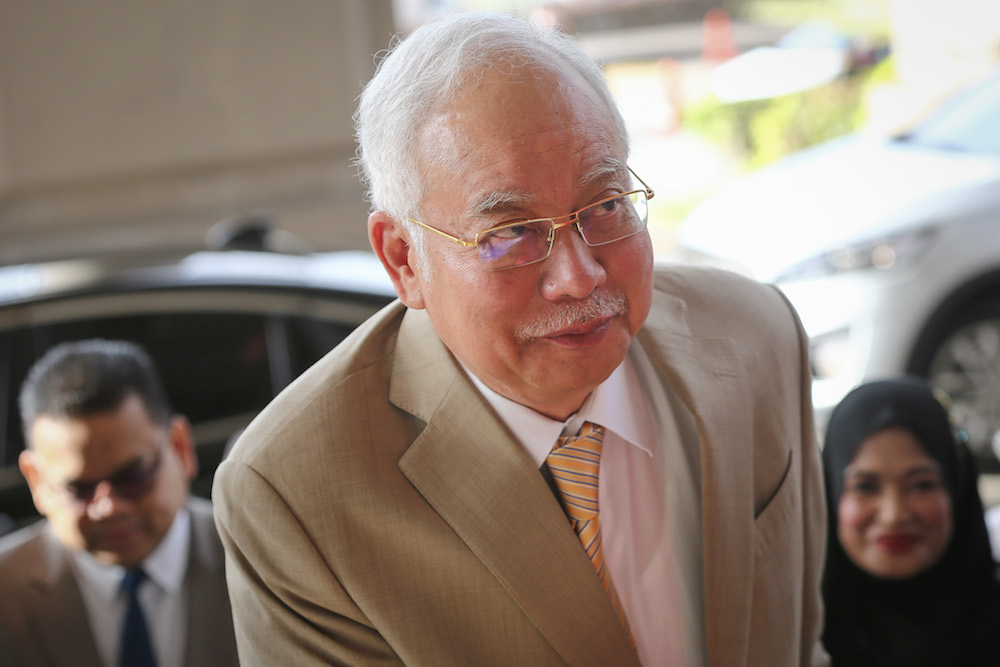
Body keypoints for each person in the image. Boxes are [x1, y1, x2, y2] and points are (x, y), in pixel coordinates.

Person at [213, 11, 828, 667]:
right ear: (403, 259)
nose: (579, 275)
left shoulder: (755, 333)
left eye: (605, 204)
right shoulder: (294, 493)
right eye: (509, 233)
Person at [0, 339, 239, 667]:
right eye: (79, 489)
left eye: (133, 478)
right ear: (36, 481)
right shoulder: (6, 593)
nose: (108, 506)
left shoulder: (253, 560)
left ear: (180, 447)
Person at [821, 377, 1000, 666]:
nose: (894, 515)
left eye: (921, 485)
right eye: (866, 487)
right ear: (831, 493)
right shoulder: (790, 638)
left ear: (956, 488)